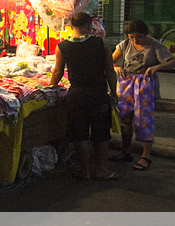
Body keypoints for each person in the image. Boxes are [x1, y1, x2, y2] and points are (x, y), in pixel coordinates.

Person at [48, 12, 118, 180]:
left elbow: (57, 72)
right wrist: (114, 93)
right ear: (89, 26)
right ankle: (101, 169)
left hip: (77, 95)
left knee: (80, 133)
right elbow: (110, 70)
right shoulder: (100, 43)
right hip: (98, 94)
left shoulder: (62, 46)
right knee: (101, 132)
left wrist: (51, 86)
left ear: (71, 27)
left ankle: (84, 170)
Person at [110, 20, 175, 170]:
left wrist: (157, 67)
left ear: (145, 34)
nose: (135, 40)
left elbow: (172, 61)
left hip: (144, 86)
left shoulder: (154, 45)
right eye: (131, 37)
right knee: (125, 118)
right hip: (126, 84)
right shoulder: (125, 45)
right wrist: (116, 68)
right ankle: (125, 151)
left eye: (138, 37)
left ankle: (145, 156)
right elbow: (110, 60)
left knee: (144, 120)